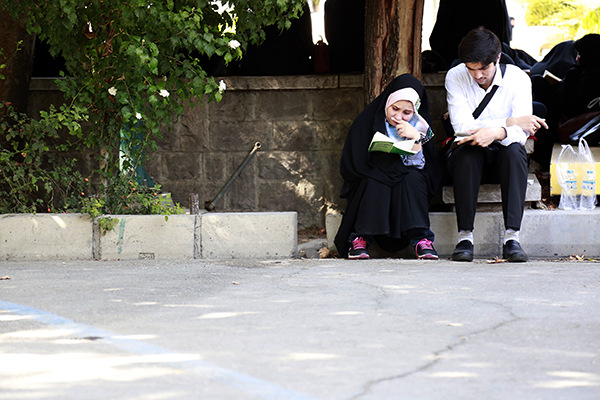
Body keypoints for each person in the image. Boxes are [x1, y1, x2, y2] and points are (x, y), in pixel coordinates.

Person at [445, 27, 547, 262]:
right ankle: (465, 237)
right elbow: (463, 128)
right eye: (472, 69)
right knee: (467, 152)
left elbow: (522, 133)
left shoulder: (518, 78)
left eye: (484, 68)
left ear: (497, 59)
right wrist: (510, 122)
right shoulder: (455, 76)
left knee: (514, 151)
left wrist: (497, 131)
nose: (478, 75)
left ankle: (512, 237)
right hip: (469, 158)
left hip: (505, 157)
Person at [334, 74, 442, 260]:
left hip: (407, 177)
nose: (398, 116)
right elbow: (351, 162)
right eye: (394, 109)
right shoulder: (367, 121)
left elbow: (425, 167)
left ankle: (421, 240)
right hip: (374, 174)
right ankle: (361, 238)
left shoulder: (420, 126)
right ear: (387, 102)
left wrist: (415, 138)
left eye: (406, 113)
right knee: (375, 179)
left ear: (415, 111)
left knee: (413, 178)